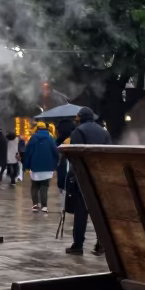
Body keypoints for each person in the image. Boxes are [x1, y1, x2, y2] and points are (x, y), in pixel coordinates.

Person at [64, 107, 111, 255]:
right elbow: (108, 154)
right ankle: (101, 245)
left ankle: (78, 245)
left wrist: (72, 176)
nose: (76, 118)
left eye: (77, 116)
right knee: (100, 212)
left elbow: (75, 156)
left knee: (81, 212)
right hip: (100, 176)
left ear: (81, 117)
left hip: (83, 177)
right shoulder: (104, 132)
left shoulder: (78, 131)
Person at [22, 121, 58, 212]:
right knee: (44, 187)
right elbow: (55, 152)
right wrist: (55, 164)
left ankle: (35, 204)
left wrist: (26, 166)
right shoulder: (50, 138)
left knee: (34, 186)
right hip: (48, 166)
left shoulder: (33, 138)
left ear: (37, 128)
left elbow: (28, 153)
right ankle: (44, 206)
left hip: (35, 166)